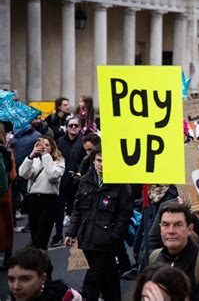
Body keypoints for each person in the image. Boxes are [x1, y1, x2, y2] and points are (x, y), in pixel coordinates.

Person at [65, 146, 132, 301]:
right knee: (109, 278)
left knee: (93, 280)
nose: (102, 164)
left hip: (106, 241)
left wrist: (114, 236)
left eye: (106, 161)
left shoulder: (121, 184)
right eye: (99, 160)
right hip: (87, 238)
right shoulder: (85, 181)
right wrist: (71, 232)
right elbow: (77, 209)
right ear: (93, 161)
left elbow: (124, 214)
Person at [148, 202, 199, 301]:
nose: (171, 231)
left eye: (178, 225)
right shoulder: (152, 258)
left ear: (189, 229)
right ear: (160, 229)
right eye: (166, 225)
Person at [19, 137, 65, 253]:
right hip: (34, 200)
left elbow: (53, 175)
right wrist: (31, 155)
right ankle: (37, 265)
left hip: (49, 201)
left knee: (42, 238)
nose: (43, 147)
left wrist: (45, 156)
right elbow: (23, 174)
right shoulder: (35, 160)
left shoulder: (59, 161)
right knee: (35, 237)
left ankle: (45, 267)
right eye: (41, 144)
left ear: (52, 147)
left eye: (47, 145)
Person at [51, 116, 86, 247]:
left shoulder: (83, 142)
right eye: (70, 125)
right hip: (62, 180)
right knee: (59, 208)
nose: (73, 128)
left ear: (80, 127)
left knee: (77, 210)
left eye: (76, 125)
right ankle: (58, 234)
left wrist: (80, 173)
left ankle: (75, 235)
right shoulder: (60, 141)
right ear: (66, 127)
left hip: (78, 181)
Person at [7, 246, 81, 301]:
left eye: (25, 279)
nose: (16, 287)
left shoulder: (64, 296)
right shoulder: (21, 293)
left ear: (42, 278)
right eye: (11, 279)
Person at [0, 124, 16, 270]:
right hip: (5, 195)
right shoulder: (7, 151)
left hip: (3, 194)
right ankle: (7, 257)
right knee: (6, 225)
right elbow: (13, 175)